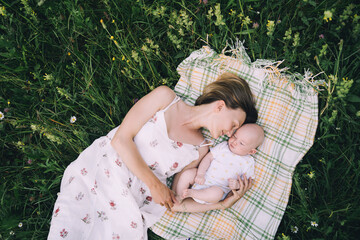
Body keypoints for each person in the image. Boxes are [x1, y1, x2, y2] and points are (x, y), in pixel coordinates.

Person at [47, 72, 258, 239]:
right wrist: (155, 185)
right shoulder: (165, 99)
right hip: (102, 171)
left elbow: (177, 202)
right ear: (221, 106)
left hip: (131, 201)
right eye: (233, 125)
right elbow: (120, 139)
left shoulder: (201, 149)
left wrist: (222, 204)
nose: (230, 134)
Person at [175, 123, 264, 204]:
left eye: (241, 143)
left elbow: (248, 181)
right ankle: (179, 196)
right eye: (235, 136)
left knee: (217, 194)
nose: (234, 142)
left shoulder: (248, 162)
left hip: (216, 189)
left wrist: (237, 185)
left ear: (251, 151)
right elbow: (208, 158)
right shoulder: (223, 146)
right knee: (188, 173)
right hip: (201, 177)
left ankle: (192, 193)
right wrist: (200, 174)